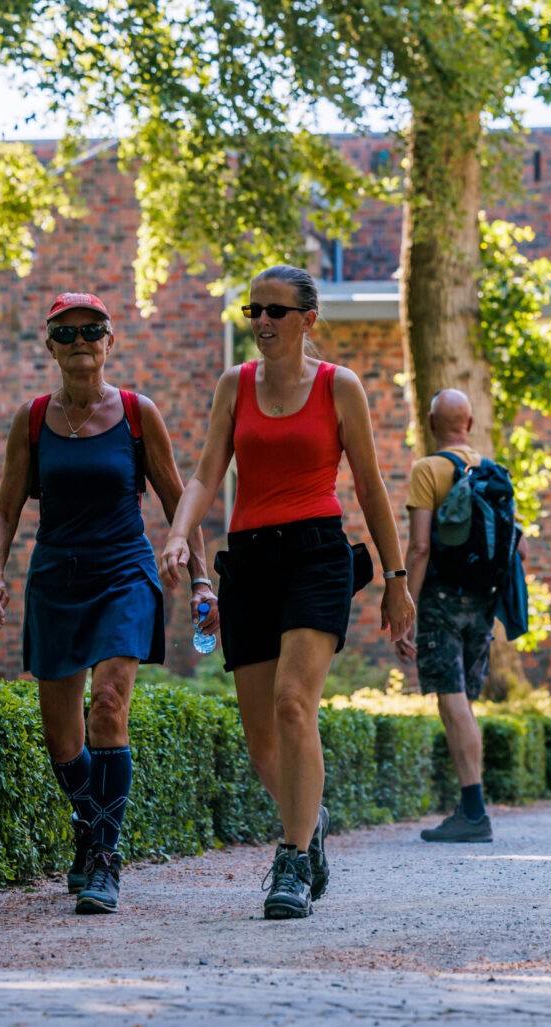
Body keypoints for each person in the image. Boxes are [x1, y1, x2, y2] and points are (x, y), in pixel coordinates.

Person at [164, 265, 414, 920]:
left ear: (308, 320)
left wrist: (396, 578)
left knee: (293, 704)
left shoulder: (339, 387)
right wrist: (178, 533)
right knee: (261, 739)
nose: (263, 323)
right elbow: (204, 473)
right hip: (247, 562)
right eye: (254, 311)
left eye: (276, 312)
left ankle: (292, 860)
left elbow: (371, 487)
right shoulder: (234, 386)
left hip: (316, 557)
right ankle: (311, 817)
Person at [0, 291, 218, 916]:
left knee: (109, 706)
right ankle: (90, 829)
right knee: (62, 739)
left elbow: (177, 499)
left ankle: (105, 859)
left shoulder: (139, 414)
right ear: (50, 344)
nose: (80, 340)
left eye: (93, 329)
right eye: (67, 332)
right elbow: (4, 509)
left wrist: (200, 578)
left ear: (111, 341)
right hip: (56, 577)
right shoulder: (32, 420)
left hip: (123, 572)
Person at [396, 389, 518, 843]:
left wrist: (404, 607)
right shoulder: (496, 473)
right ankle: (466, 807)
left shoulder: (428, 469)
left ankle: (473, 811)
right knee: (462, 700)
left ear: (431, 423)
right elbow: (517, 546)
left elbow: (420, 546)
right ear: (469, 422)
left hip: (442, 600)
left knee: (451, 697)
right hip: (484, 601)